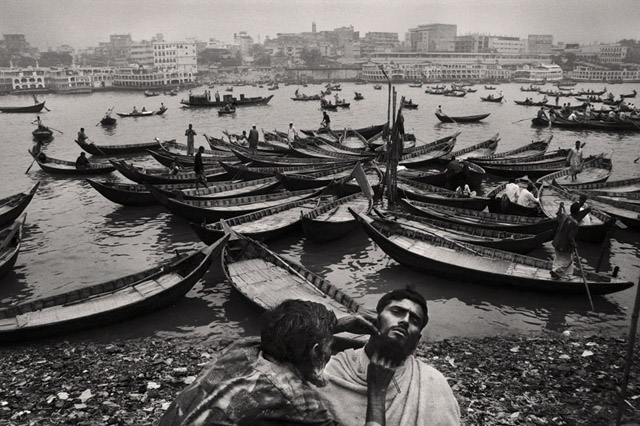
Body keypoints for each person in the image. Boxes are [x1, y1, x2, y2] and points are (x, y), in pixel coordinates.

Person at [159, 299, 393, 426]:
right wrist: (377, 391)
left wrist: (337, 325)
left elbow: (283, 331)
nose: (331, 351)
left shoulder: (240, 350)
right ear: (315, 351)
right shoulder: (299, 402)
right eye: (328, 346)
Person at [316, 287, 461, 426]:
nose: (405, 321)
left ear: (417, 339)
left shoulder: (432, 382)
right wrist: (336, 325)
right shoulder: (330, 370)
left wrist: (378, 391)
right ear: (374, 319)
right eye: (397, 312)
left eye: (415, 321)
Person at [550, 201, 591, 279]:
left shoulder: (565, 216)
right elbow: (570, 237)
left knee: (558, 258)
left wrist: (561, 207)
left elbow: (559, 216)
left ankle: (560, 273)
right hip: (564, 245)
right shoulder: (574, 223)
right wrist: (574, 244)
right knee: (569, 260)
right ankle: (557, 271)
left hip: (556, 242)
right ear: (578, 212)